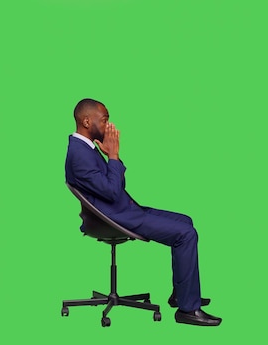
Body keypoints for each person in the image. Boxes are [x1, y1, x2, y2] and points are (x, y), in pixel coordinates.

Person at [64, 98, 221, 326]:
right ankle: (188, 310)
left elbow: (115, 186)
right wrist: (114, 156)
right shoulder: (79, 154)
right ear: (87, 121)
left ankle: (182, 293)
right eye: (105, 120)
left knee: (186, 221)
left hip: (121, 209)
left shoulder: (85, 147)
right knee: (186, 233)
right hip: (114, 218)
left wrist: (111, 159)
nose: (109, 126)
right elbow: (112, 190)